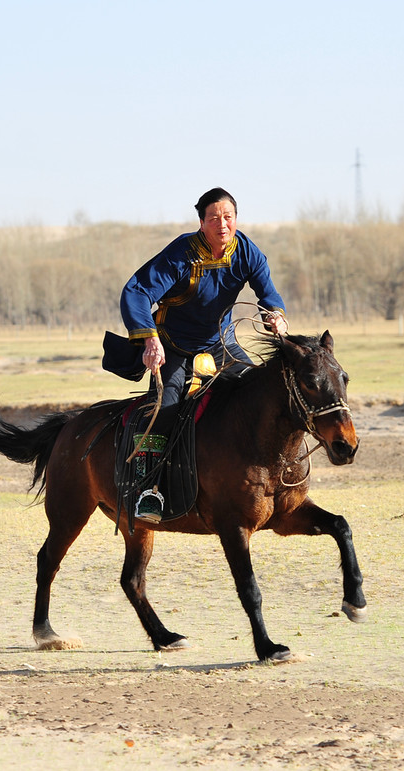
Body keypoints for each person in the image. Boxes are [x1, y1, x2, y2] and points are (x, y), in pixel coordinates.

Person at [119, 188, 288, 521]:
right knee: (163, 410)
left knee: (261, 395)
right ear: (201, 222)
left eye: (228, 217)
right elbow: (136, 292)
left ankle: (268, 477)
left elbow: (268, 292)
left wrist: (276, 315)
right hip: (174, 346)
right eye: (214, 218)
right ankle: (148, 490)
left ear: (235, 220)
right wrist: (150, 340)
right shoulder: (182, 253)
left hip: (222, 344)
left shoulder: (247, 252)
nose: (222, 224)